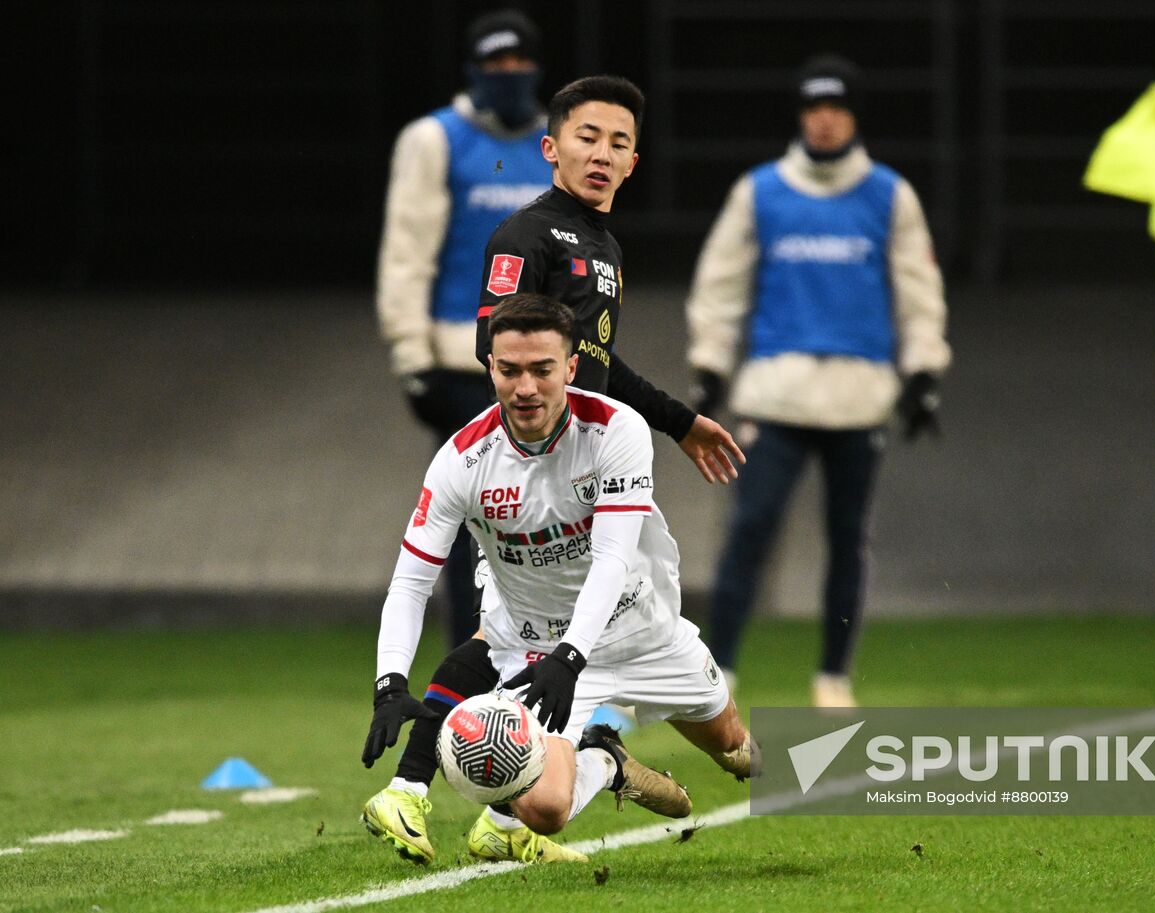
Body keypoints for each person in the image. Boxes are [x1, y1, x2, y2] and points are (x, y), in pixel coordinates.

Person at [361, 74, 746, 864]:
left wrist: (675, 421)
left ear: (635, 161)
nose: (601, 154)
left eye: (618, 143)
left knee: (736, 748)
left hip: (597, 468)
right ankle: (438, 790)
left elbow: (596, 366)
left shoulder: (602, 246)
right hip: (540, 472)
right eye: (586, 137)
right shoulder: (525, 237)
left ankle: (557, 765)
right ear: (551, 148)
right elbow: (500, 343)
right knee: (509, 632)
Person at [685, 55, 952, 708]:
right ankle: (717, 673)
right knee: (750, 529)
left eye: (836, 107)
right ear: (801, 115)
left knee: (847, 538)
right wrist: (710, 366)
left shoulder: (890, 195)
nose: (825, 120)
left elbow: (920, 292)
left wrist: (923, 371)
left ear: (854, 115)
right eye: (813, 108)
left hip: (859, 401)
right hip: (774, 396)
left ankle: (833, 677)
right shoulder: (761, 191)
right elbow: (721, 284)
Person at [375, 10, 553, 648]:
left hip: (545, 364)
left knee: (558, 518)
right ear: (473, 71)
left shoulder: (555, 144)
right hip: (460, 359)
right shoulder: (434, 140)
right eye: (495, 65)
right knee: (472, 518)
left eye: (519, 64)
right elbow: (407, 252)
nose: (509, 76)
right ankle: (474, 668)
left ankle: (557, 665)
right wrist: (410, 358)